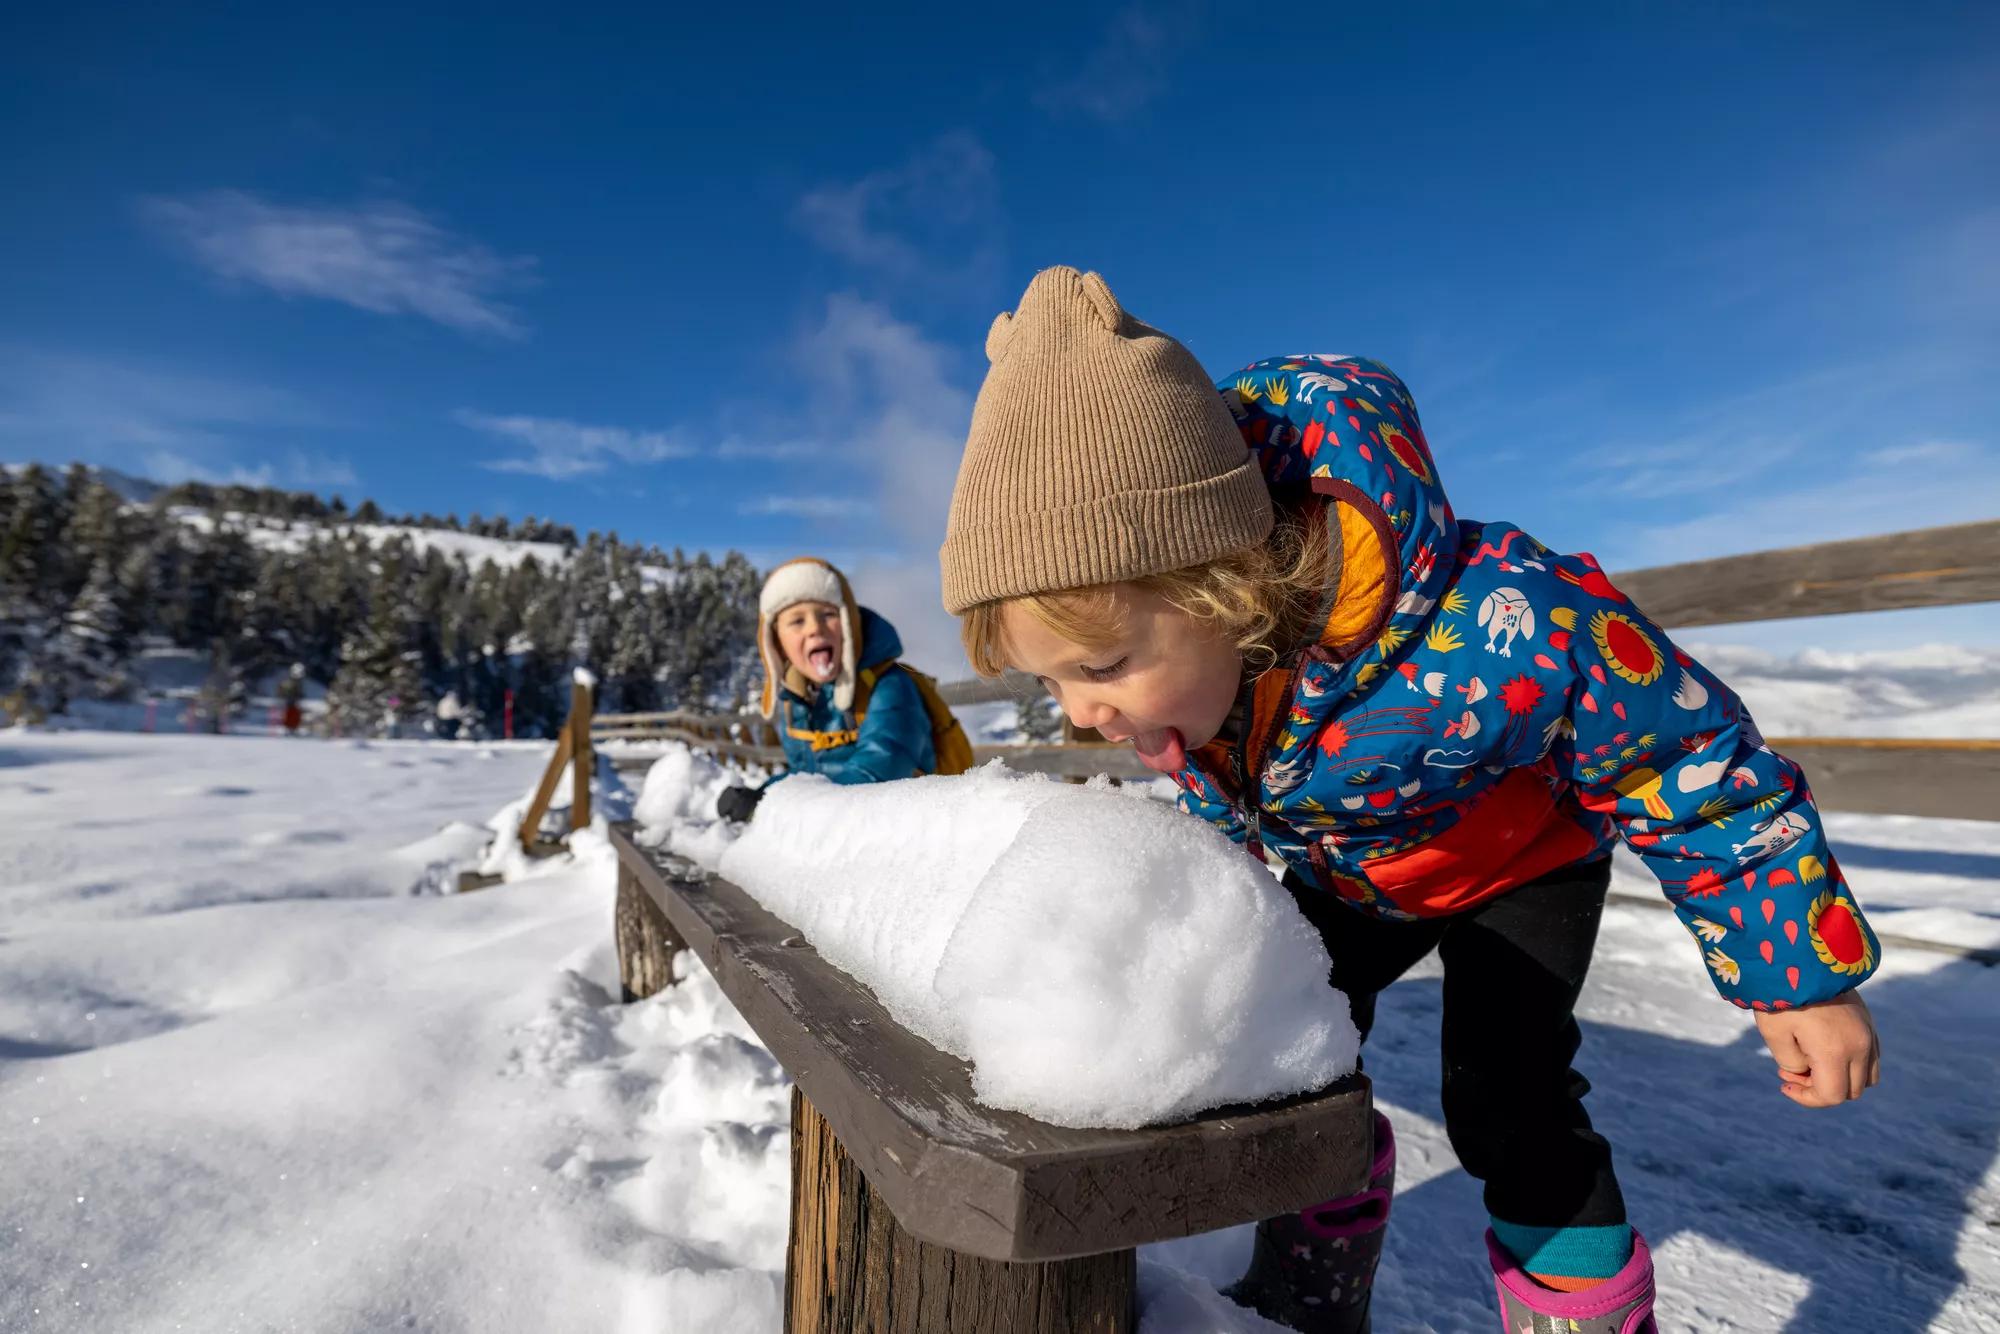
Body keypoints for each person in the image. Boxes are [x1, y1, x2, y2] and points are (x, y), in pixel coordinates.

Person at [938, 267, 1883, 1334]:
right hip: (1358, 872)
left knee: (1506, 1097)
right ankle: (1309, 1288)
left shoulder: (1500, 619)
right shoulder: (1206, 688)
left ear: (1222, 584)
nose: (1078, 711)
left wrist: (1793, 975)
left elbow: (1687, 763)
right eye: (1050, 681)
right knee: (1284, 1057)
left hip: (1520, 867)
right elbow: (1226, 829)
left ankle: (1581, 1313)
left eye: (1099, 664)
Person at [714, 557, 941, 823]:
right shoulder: (800, 701)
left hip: (912, 833)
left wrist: (777, 811)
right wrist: (760, 796)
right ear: (777, 644)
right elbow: (808, 777)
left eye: (828, 614)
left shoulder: (889, 686)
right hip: (846, 836)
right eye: (797, 621)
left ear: (849, 625)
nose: (814, 628)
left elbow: (880, 771)